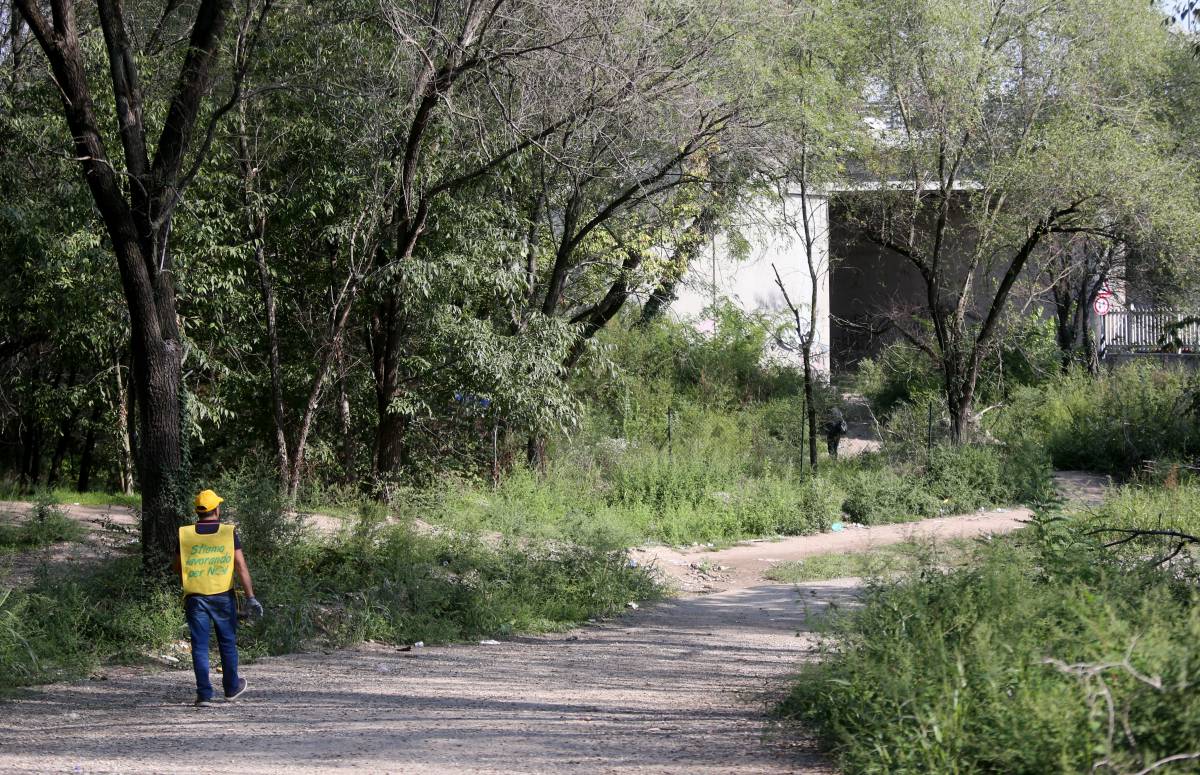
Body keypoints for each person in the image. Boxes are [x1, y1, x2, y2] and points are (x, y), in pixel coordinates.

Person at [174, 489, 263, 707]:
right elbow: (240, 566)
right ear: (216, 509)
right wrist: (251, 597)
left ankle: (204, 694)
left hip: (195, 597)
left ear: (198, 511)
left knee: (200, 646)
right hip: (223, 596)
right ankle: (231, 688)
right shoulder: (227, 532)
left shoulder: (185, 533)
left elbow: (177, 566)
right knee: (227, 642)